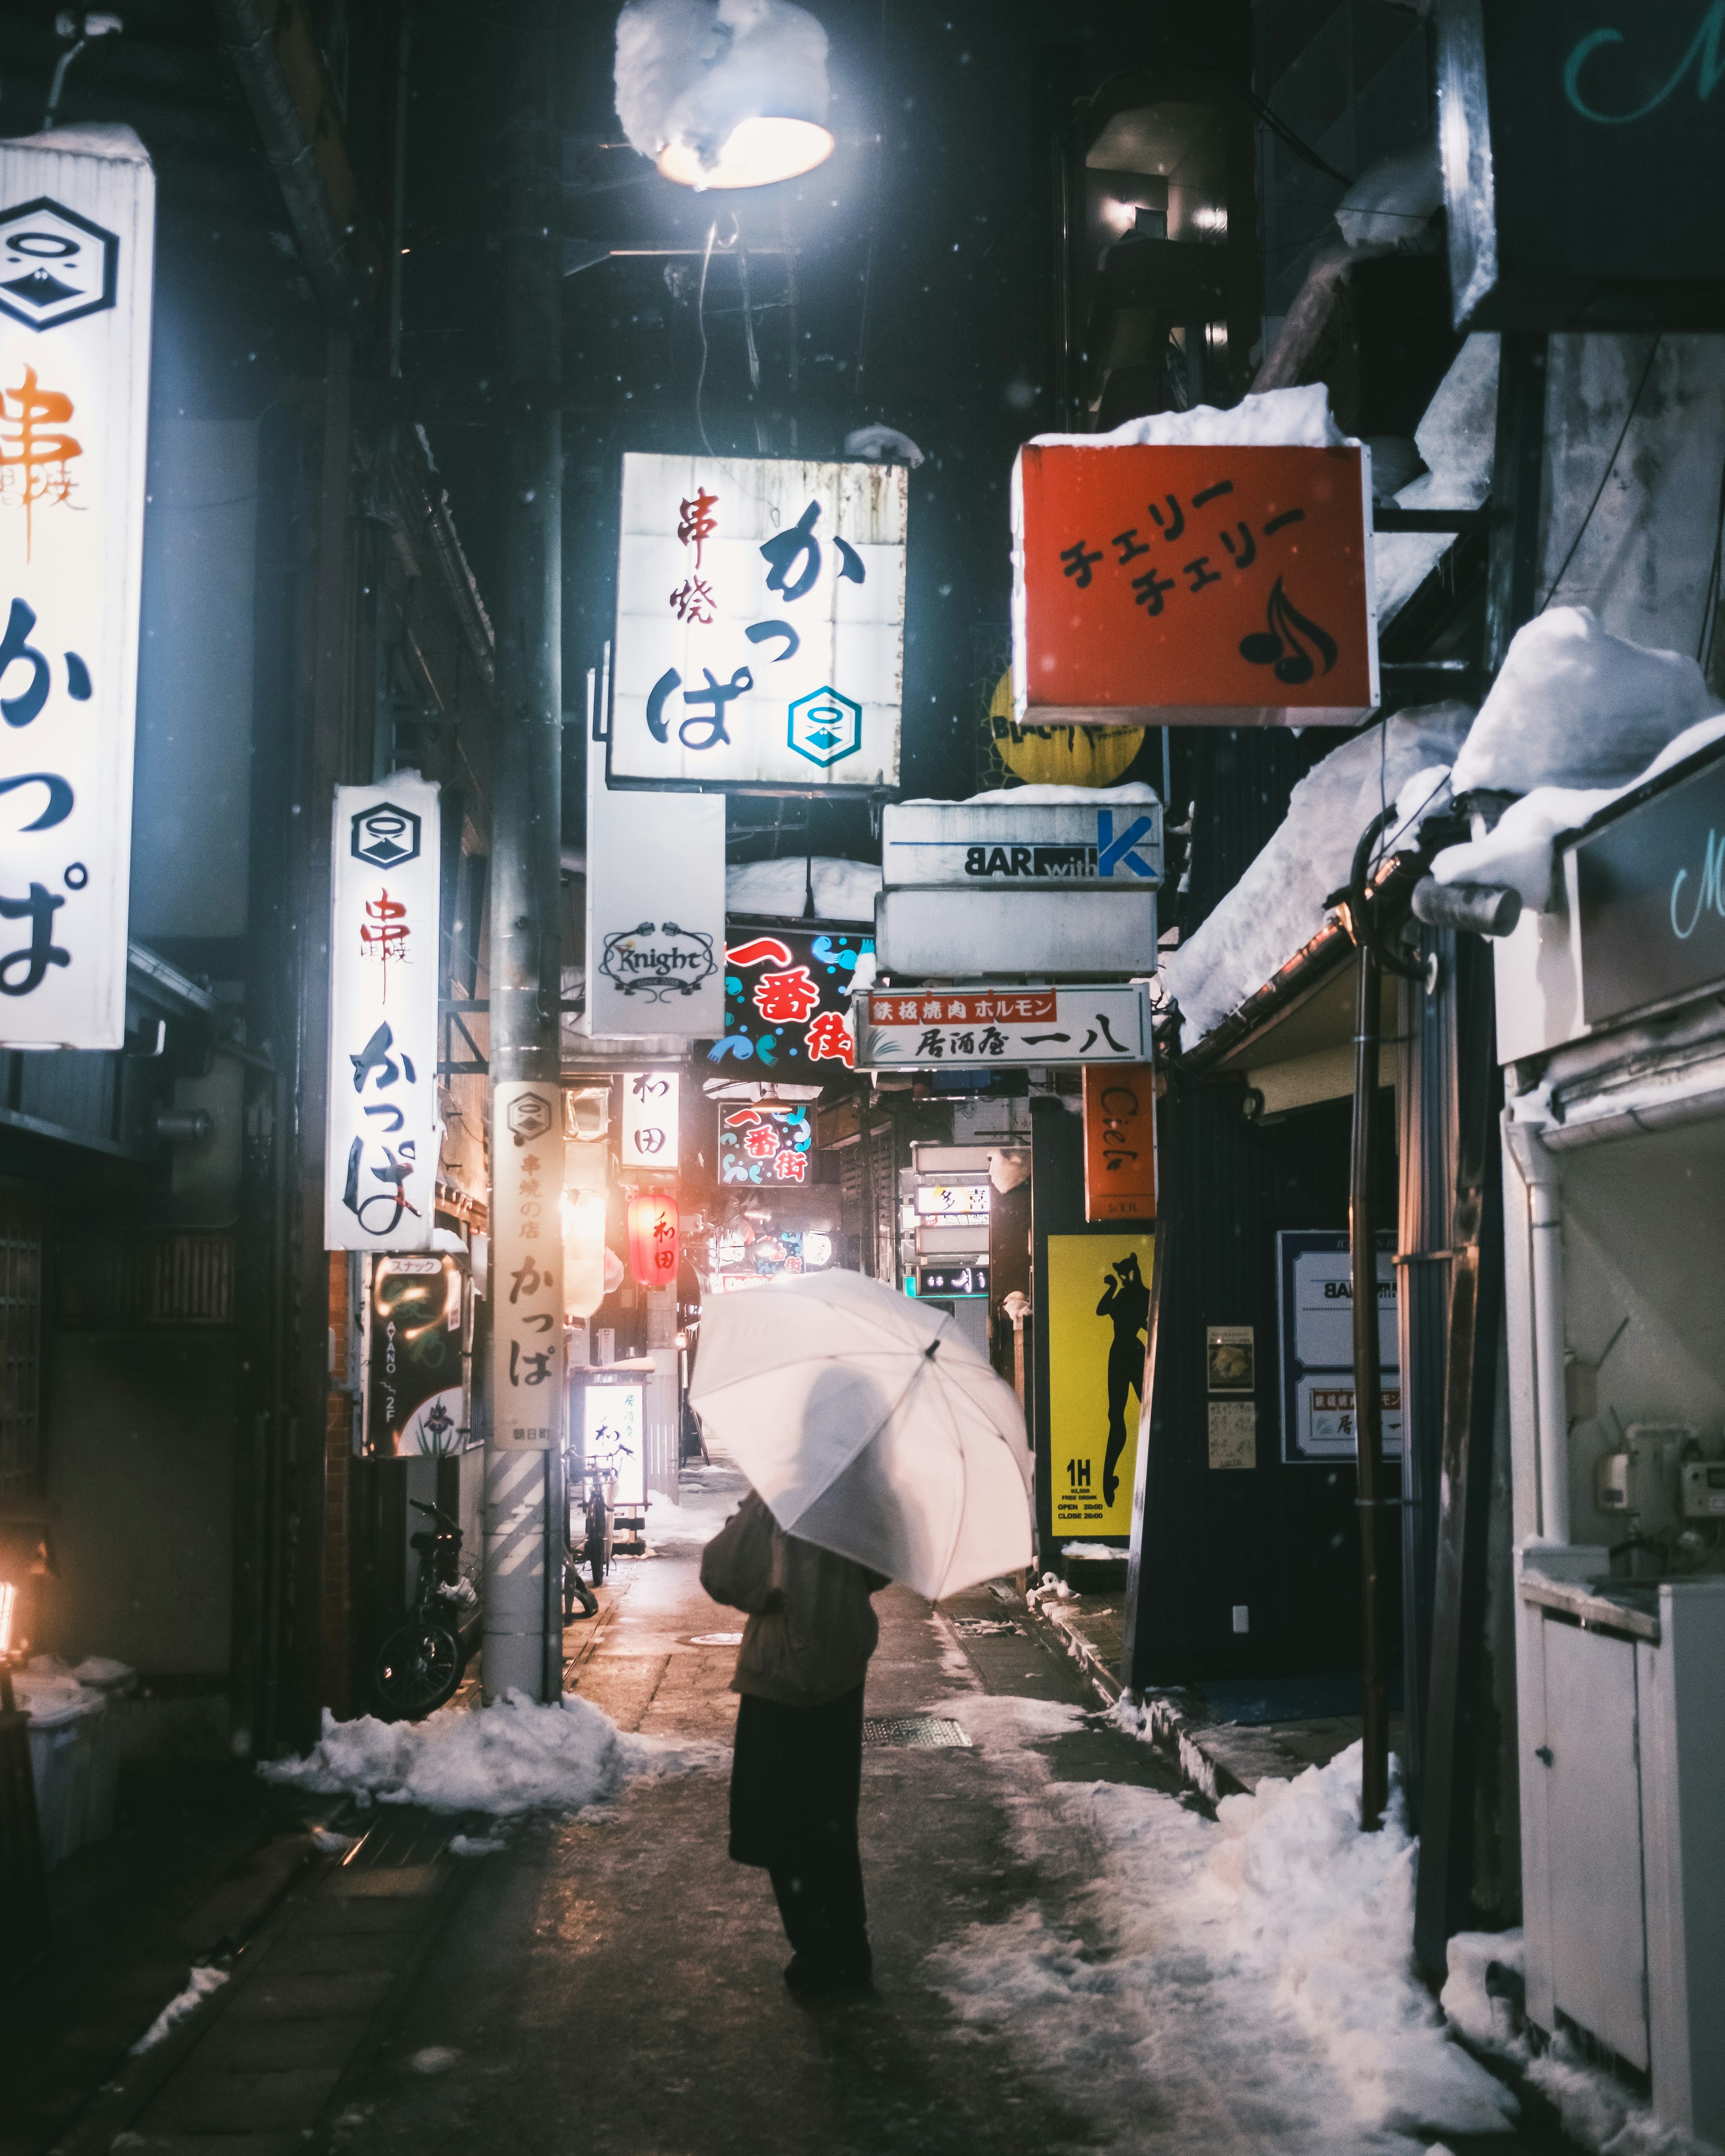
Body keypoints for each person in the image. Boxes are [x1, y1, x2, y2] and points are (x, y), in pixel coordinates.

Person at [700, 1489, 888, 1995]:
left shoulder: (779, 1495)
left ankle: (815, 1948)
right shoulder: (860, 1495)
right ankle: (851, 1946)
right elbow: (881, 1570)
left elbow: (722, 1573)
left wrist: (753, 1513)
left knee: (777, 1818)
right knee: (832, 1817)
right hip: (842, 1673)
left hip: (780, 1677)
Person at [1096, 1250, 1149, 1508]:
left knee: (1147, 1413)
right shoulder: (1130, 1294)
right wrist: (1114, 1287)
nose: (1123, 1278)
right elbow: (1102, 1309)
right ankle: (1108, 1481)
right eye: (1121, 1275)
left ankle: (1147, 1475)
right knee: (1116, 1416)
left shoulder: (1142, 1295)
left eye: (1125, 1274)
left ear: (1134, 1271)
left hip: (1128, 1353)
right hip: (1124, 1353)